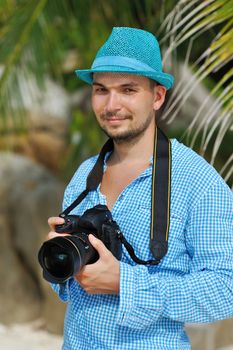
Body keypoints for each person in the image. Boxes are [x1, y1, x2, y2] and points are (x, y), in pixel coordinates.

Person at [47, 27, 233, 349]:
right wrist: (62, 257)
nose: (111, 104)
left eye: (128, 90)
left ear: (157, 96)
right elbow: (68, 287)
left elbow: (226, 288)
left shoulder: (198, 182)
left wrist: (125, 284)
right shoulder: (83, 176)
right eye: (101, 89)